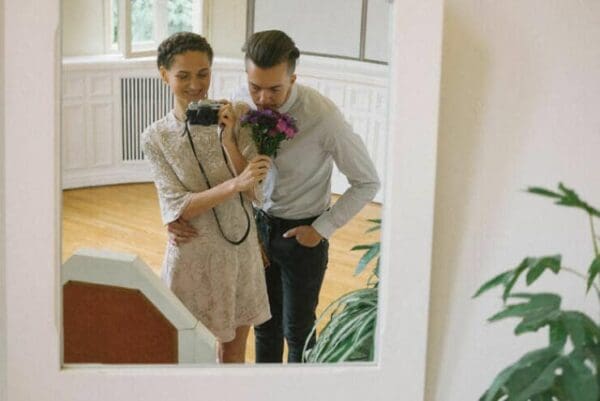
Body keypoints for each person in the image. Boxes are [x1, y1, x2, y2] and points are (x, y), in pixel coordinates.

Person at [169, 30, 380, 363]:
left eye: (274, 89)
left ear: (293, 79)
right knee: (263, 327)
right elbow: (225, 171)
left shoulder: (323, 117)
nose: (263, 98)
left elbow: (367, 181)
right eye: (255, 87)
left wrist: (321, 229)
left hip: (302, 236)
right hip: (255, 232)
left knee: (299, 332)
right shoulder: (240, 103)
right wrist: (177, 215)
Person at [141, 32, 272, 363]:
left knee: (233, 353)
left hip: (239, 252)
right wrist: (234, 185)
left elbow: (255, 191)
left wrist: (229, 141)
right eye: (183, 75)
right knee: (184, 353)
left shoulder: (238, 115)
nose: (195, 85)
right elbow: (178, 206)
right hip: (193, 254)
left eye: (203, 73)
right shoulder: (155, 137)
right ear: (164, 74)